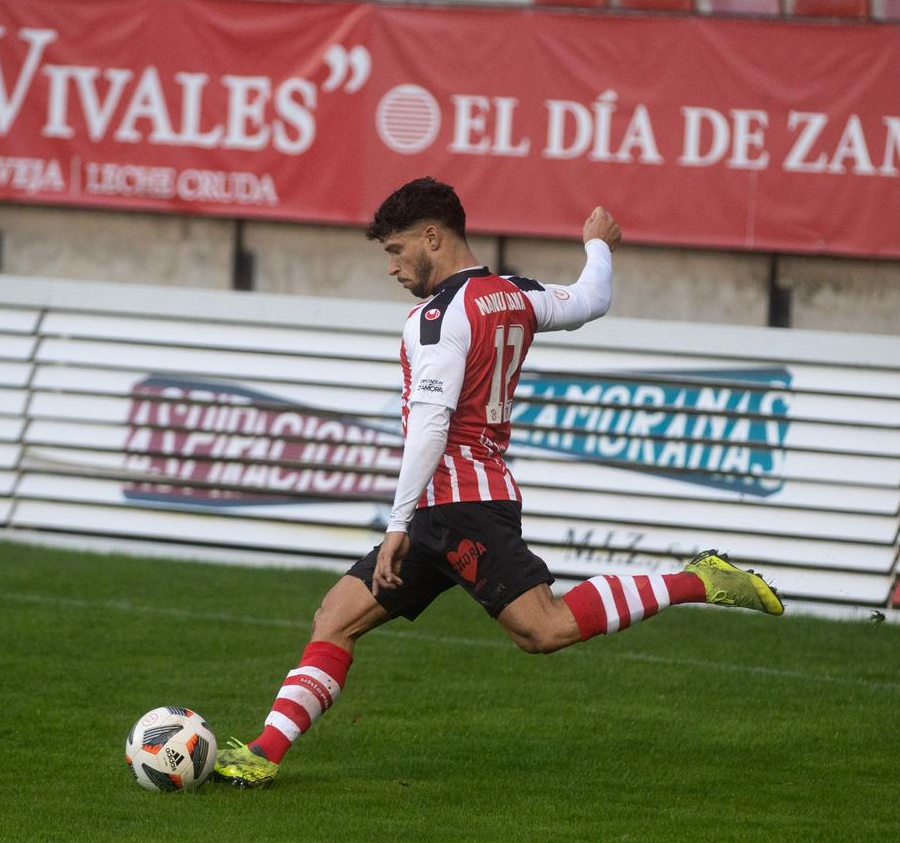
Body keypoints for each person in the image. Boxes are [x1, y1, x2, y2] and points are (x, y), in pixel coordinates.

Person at [213, 177, 784, 788]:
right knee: (336, 616)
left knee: (544, 629)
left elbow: (430, 425)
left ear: (433, 236)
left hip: (462, 506)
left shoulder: (435, 318)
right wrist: (598, 245)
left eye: (396, 249)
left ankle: (694, 579)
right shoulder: (514, 294)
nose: (391, 266)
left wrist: (396, 526)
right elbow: (591, 300)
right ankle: (262, 755)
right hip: (448, 504)